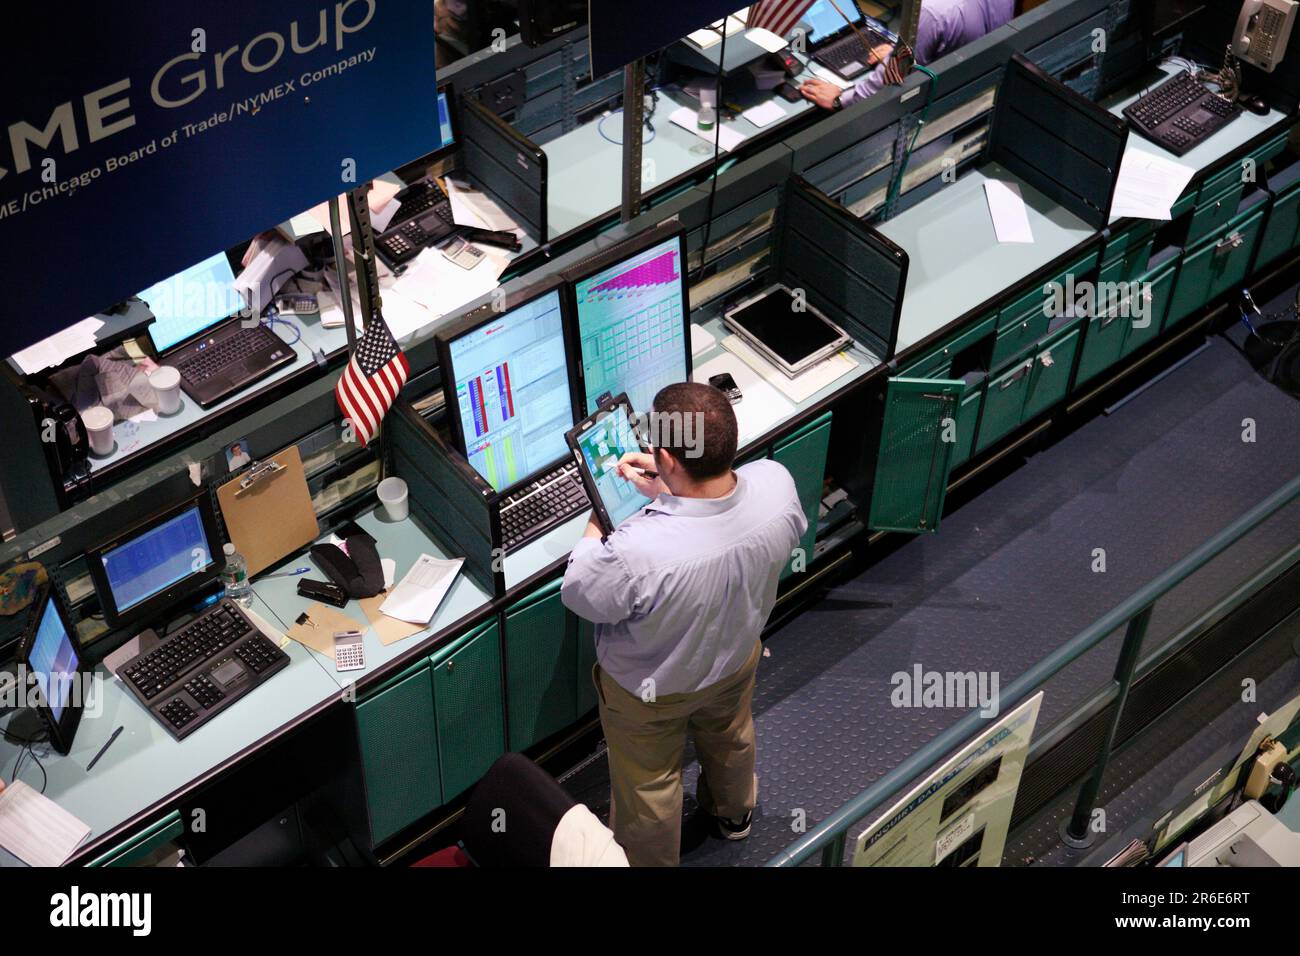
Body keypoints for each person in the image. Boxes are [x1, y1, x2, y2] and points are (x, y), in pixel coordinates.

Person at [561, 382, 807, 866]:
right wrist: (672, 490)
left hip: (652, 693)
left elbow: (580, 590)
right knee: (731, 735)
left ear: (669, 458)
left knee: (649, 784)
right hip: (735, 658)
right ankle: (734, 815)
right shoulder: (777, 483)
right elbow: (733, 510)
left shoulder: (638, 551)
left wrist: (599, 509)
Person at [801, 0, 1016, 110]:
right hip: (975, 94)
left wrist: (840, 99)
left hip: (926, 111)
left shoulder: (932, 12)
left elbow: (887, 85)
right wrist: (901, 50)